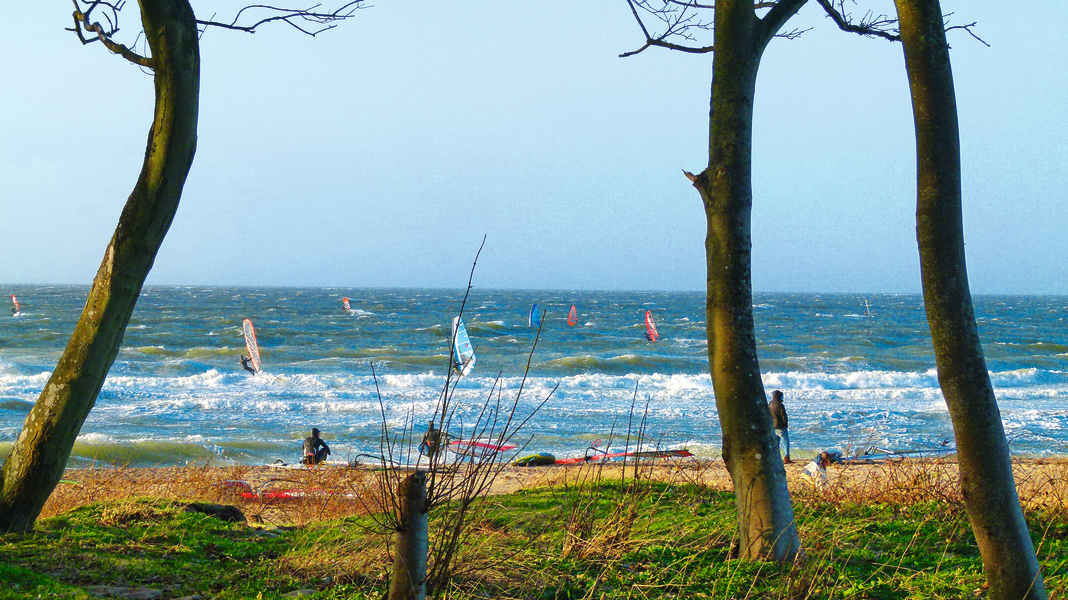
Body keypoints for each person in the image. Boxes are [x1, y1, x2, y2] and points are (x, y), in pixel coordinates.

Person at [768, 389, 791, 463]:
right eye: (781, 396)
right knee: (786, 443)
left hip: (773, 427)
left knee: (776, 444)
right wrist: (786, 424)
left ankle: (775, 458)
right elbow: (784, 416)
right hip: (781, 427)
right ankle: (786, 458)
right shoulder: (780, 405)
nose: (782, 397)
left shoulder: (770, 404)